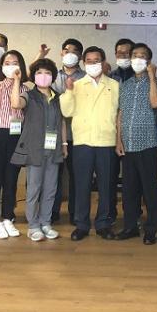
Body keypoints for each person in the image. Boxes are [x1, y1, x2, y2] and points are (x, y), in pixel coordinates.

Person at [60, 46, 119, 241]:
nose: (93, 64)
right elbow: (67, 111)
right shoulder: (76, 85)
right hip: (83, 142)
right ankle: (82, 224)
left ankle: (103, 223)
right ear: (84, 63)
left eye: (97, 60)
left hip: (106, 141)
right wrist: (69, 91)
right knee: (82, 185)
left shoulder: (114, 85)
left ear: (103, 62)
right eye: (89, 61)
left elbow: (119, 114)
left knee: (106, 186)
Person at [10, 58, 68, 242]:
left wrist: (64, 144)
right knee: (34, 189)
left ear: (53, 76)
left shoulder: (58, 97)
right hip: (35, 149)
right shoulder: (30, 95)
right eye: (39, 73)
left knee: (51, 189)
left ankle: (46, 223)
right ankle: (33, 226)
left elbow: (62, 122)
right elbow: (15, 104)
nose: (44, 76)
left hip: (54, 149)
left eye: (47, 73)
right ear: (34, 76)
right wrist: (17, 81)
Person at [115, 43, 157, 245]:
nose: (137, 58)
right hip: (128, 144)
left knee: (149, 190)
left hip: (147, 143)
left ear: (149, 61)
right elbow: (120, 114)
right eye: (134, 55)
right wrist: (118, 140)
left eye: (142, 56)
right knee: (129, 190)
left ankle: (151, 229)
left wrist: (151, 76)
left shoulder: (156, 83)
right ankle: (130, 226)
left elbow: (155, 103)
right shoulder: (125, 85)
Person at [0, 50, 28, 239]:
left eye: (14, 62)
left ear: (21, 65)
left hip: (15, 135)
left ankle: (8, 217)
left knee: (11, 179)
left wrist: (16, 81)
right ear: (1, 66)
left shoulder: (25, 88)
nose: (11, 66)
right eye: (7, 63)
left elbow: (18, 105)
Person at [51, 38, 85, 224]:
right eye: (66, 50)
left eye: (74, 51)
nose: (69, 54)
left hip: (78, 134)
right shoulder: (51, 76)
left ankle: (75, 213)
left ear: (80, 55)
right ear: (61, 53)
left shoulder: (86, 77)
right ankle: (52, 211)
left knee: (77, 176)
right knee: (54, 175)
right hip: (54, 134)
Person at [108, 38, 135, 222]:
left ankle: (132, 215)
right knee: (109, 177)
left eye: (127, 53)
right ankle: (110, 213)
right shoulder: (110, 76)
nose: (123, 56)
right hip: (111, 134)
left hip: (132, 134)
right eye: (119, 53)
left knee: (132, 180)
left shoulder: (139, 76)